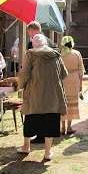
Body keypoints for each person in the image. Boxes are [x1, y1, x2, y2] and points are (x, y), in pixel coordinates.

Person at [17, 33, 68, 161]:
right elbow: (64, 73)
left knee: (30, 119)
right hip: (53, 96)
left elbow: (24, 73)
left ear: (34, 44)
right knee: (50, 123)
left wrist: (20, 86)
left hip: (35, 95)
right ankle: (47, 152)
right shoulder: (56, 55)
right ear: (45, 43)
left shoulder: (30, 54)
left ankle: (26, 147)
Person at [27, 21, 54, 144]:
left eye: (29, 32)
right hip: (49, 82)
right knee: (47, 110)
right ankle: (45, 134)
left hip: (36, 81)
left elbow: (29, 64)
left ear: (32, 30)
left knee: (37, 109)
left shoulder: (31, 44)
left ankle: (39, 134)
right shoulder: (49, 41)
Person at [60, 36, 85, 135]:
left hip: (62, 80)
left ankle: (62, 126)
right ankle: (69, 126)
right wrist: (80, 84)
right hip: (74, 79)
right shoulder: (76, 54)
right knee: (72, 103)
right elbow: (81, 70)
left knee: (62, 103)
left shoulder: (59, 55)